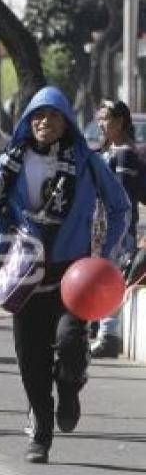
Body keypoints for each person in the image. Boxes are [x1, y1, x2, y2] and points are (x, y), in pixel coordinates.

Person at [0, 87, 129, 464]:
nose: (44, 123)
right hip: (23, 272)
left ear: (67, 122)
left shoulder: (85, 161)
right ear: (27, 121)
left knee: (71, 345)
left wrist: (104, 256)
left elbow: (119, 207)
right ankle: (41, 435)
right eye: (37, 116)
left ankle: (71, 387)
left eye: (53, 116)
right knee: (31, 359)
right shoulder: (8, 163)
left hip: (72, 273)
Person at [90, 99, 142, 357]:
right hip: (97, 230)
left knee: (111, 278)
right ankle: (97, 328)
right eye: (98, 118)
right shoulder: (103, 154)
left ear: (121, 122)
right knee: (100, 278)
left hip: (118, 231)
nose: (100, 124)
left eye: (106, 119)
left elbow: (122, 200)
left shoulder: (126, 155)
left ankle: (109, 335)